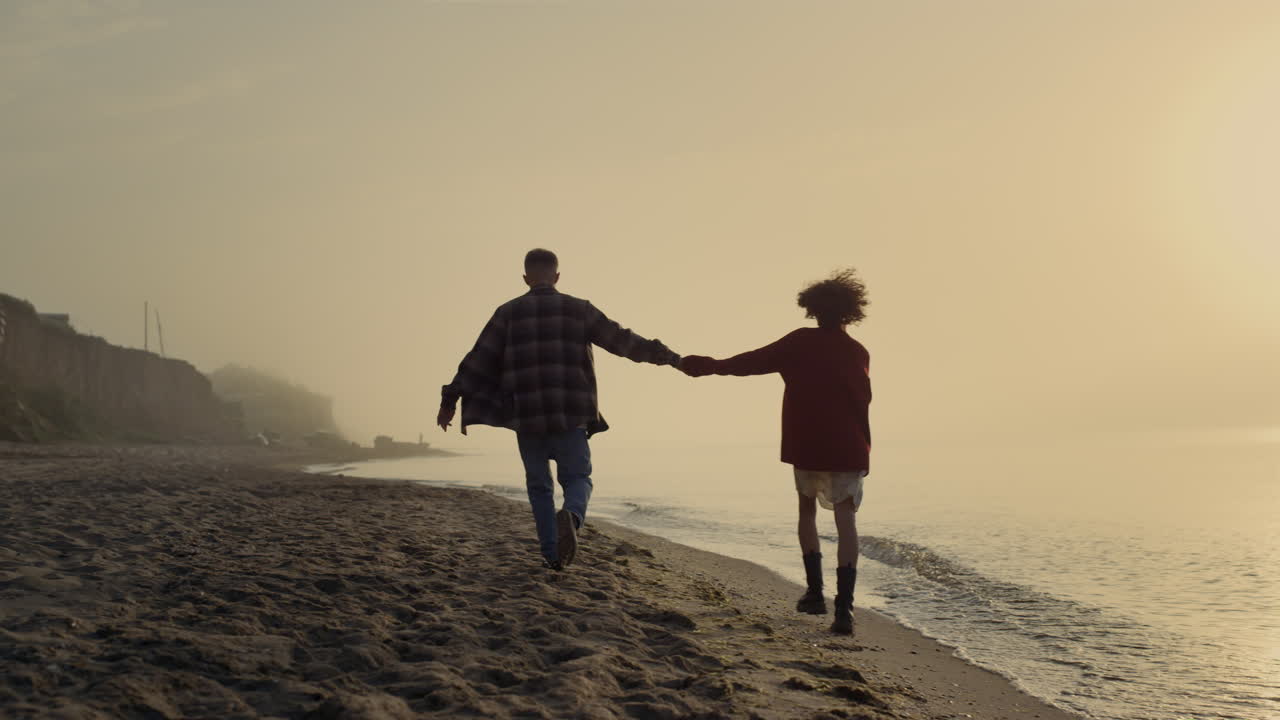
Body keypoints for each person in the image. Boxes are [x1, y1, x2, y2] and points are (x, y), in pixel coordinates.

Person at [438, 249, 681, 570]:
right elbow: (622, 341)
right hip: (571, 414)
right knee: (578, 477)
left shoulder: (507, 313)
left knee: (539, 487)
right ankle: (573, 516)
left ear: (526, 278)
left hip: (527, 416)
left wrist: (450, 399)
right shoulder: (578, 310)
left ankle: (553, 556)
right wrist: (669, 357)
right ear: (557, 276)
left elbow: (478, 359)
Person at [680, 269, 871, 635]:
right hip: (848, 444)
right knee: (846, 520)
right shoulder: (858, 352)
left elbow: (752, 362)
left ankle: (815, 594)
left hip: (807, 441)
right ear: (851, 312)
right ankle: (844, 611)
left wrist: (711, 366)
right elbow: (863, 402)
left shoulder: (799, 342)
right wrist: (865, 452)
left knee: (806, 510)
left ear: (812, 310)